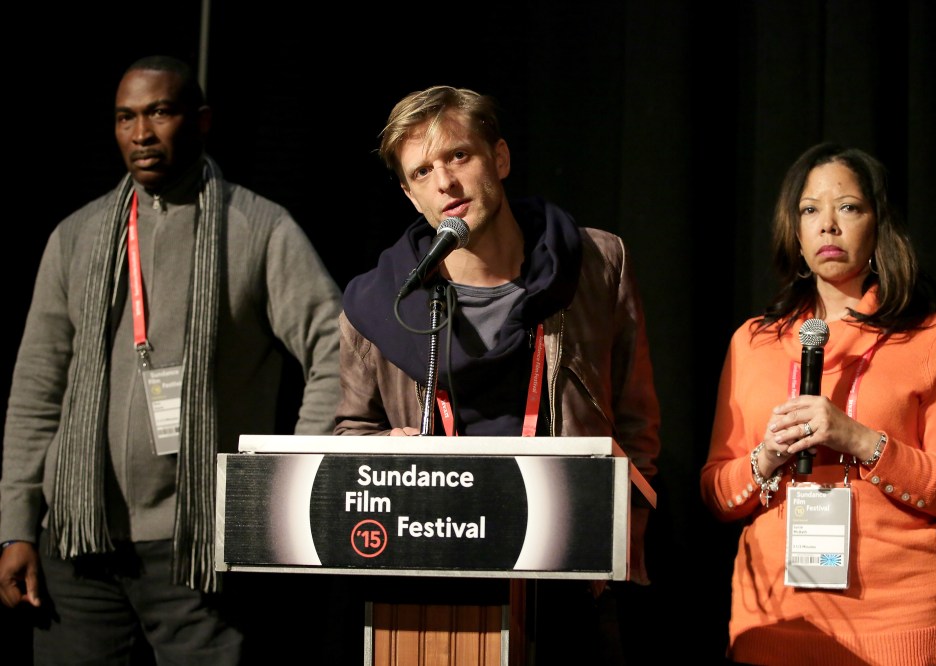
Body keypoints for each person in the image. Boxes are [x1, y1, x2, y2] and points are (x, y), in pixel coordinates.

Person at [0, 55, 344, 664]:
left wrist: (283, 478)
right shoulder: (75, 237)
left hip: (198, 545)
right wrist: (18, 524)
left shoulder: (257, 228)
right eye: (125, 117)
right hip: (79, 542)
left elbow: (335, 348)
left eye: (159, 112)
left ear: (202, 120)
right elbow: (37, 386)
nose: (141, 134)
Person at [334, 85, 661, 664]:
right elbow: (348, 435)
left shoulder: (594, 263)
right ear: (411, 196)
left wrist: (623, 531)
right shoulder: (377, 304)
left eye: (459, 155)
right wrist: (385, 447)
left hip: (568, 566)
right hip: (437, 581)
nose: (446, 183)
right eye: (422, 171)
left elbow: (636, 422)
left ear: (500, 159)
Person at [700, 142, 936, 665]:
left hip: (898, 622)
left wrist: (861, 440)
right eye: (810, 210)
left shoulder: (932, 336)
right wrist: (765, 457)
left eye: (848, 207)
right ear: (796, 231)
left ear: (878, 225)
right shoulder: (752, 342)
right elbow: (718, 494)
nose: (827, 226)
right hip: (774, 622)